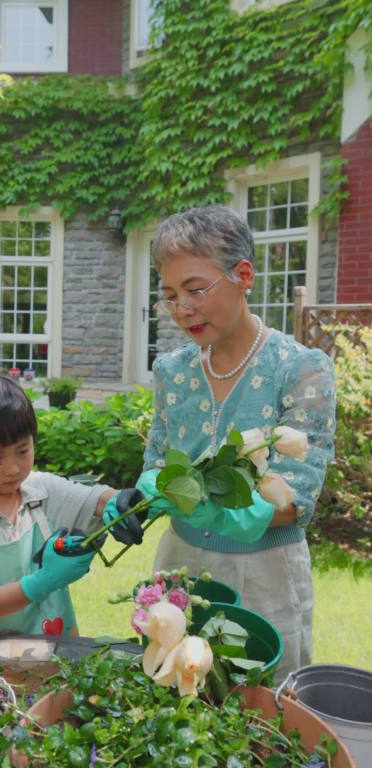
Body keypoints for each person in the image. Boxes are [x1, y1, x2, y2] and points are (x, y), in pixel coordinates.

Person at [107, 205, 335, 680]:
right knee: (177, 695)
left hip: (265, 576)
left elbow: (298, 497)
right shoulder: (172, 371)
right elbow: (158, 460)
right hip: (181, 568)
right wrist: (138, 499)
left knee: (261, 712)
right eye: (169, 295)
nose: (182, 309)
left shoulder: (300, 369)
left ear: (243, 275)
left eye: (195, 289)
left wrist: (222, 509)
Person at [0, 376, 115, 638]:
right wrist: (45, 581)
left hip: (53, 652)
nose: (13, 468)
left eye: (23, 450)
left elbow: (98, 499)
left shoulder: (43, 490)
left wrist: (122, 502)